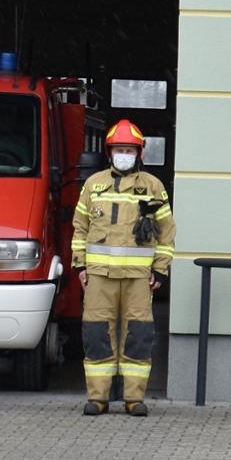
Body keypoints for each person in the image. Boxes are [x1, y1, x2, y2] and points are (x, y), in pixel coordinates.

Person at [72, 120, 175, 417]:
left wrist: (161, 269)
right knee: (96, 334)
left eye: (129, 149)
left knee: (138, 335)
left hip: (138, 278)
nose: (124, 154)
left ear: (139, 153)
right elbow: (80, 228)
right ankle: (98, 397)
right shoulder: (94, 185)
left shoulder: (152, 186)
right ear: (109, 152)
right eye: (119, 149)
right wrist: (80, 266)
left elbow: (166, 231)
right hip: (99, 277)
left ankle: (133, 398)